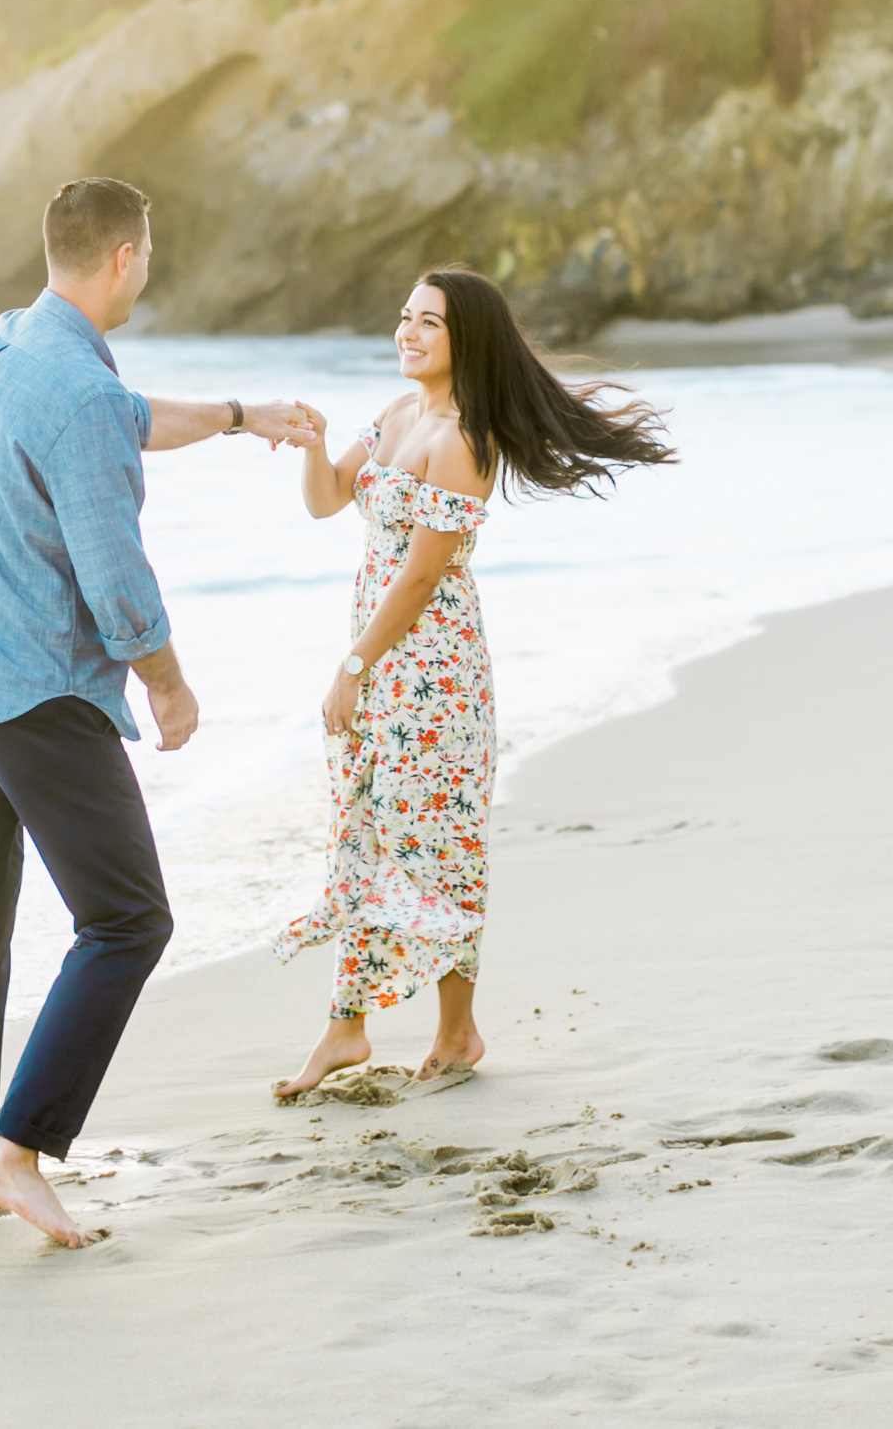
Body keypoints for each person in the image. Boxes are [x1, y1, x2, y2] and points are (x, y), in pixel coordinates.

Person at [0, 175, 314, 1247]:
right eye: (151, 254)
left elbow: (124, 421)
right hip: (30, 697)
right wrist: (169, 683)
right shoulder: (78, 392)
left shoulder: (2, 345)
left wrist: (241, 417)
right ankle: (16, 1148)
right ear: (127, 259)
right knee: (129, 920)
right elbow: (115, 577)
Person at [272, 262, 673, 1098]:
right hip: (381, 655)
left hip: (433, 670)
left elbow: (422, 577)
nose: (407, 333)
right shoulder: (393, 415)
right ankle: (351, 1027)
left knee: (438, 846)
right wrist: (312, 447)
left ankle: (454, 1033)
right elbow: (326, 502)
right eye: (405, 316)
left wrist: (353, 667)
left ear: (466, 342)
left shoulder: (462, 441)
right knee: (368, 830)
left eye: (429, 324)